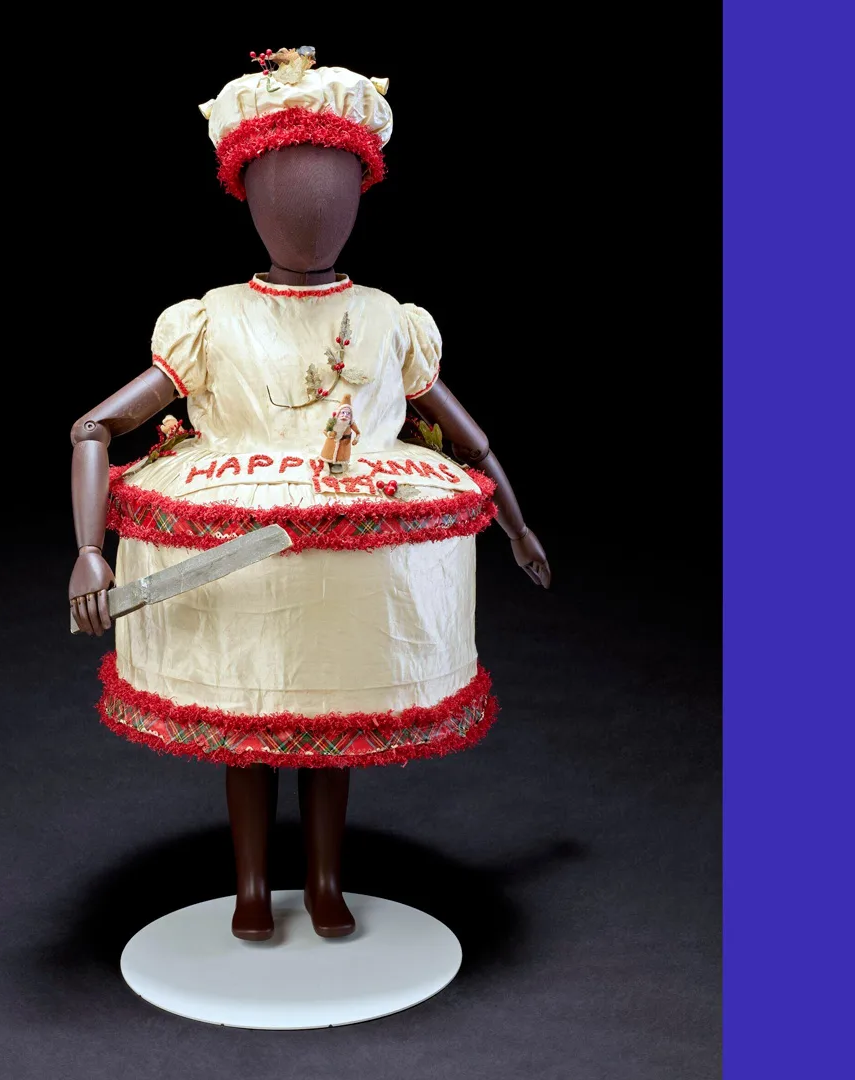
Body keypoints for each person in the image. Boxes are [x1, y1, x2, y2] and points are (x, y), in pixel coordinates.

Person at [66, 50, 551, 941]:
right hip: (238, 545)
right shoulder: (213, 318)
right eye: (286, 186)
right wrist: (90, 548)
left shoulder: (388, 320)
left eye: (331, 188)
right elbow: (94, 427)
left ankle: (325, 881)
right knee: (250, 716)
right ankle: (254, 887)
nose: (310, 208)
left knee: (335, 706)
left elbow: (471, 438)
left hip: (350, 555)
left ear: (360, 196)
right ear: (248, 196)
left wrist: (514, 523)